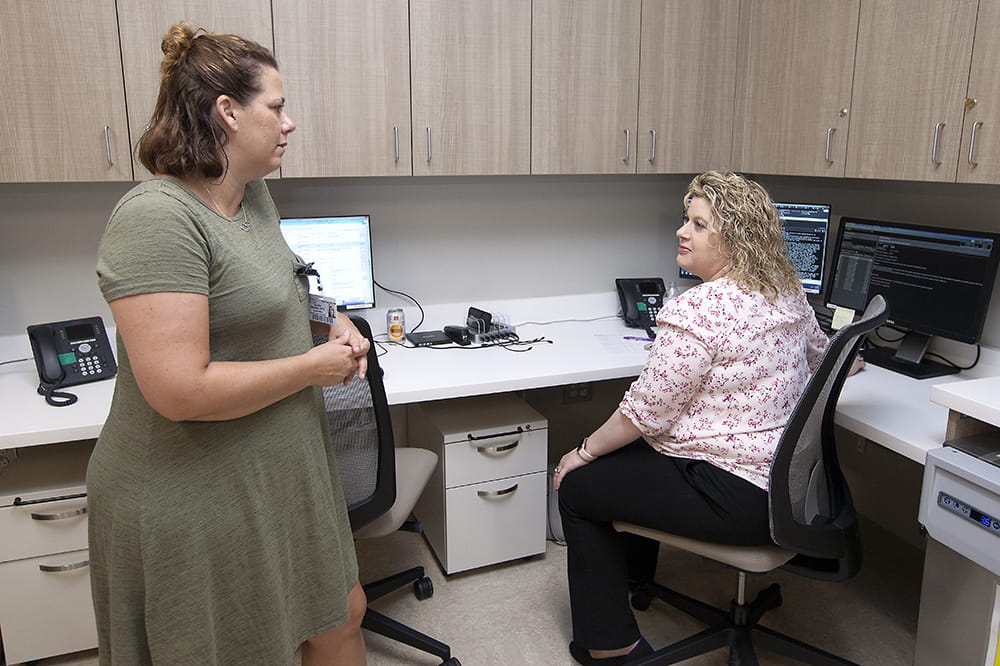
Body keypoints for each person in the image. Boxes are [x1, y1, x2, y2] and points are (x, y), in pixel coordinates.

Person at [88, 22, 371, 665]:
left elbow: (283, 287)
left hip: (279, 465)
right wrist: (308, 368)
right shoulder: (158, 218)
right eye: (276, 106)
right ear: (228, 113)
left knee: (340, 613)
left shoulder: (252, 196)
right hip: (192, 489)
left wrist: (332, 320)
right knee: (238, 646)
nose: (289, 122)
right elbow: (179, 391)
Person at [553, 171, 831, 665]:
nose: (682, 232)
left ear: (737, 239)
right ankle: (636, 580)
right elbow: (825, 355)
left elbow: (643, 414)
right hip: (786, 487)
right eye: (687, 221)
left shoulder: (699, 308)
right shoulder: (786, 291)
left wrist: (580, 453)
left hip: (737, 495)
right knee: (634, 457)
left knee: (579, 488)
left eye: (699, 225)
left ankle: (612, 646)